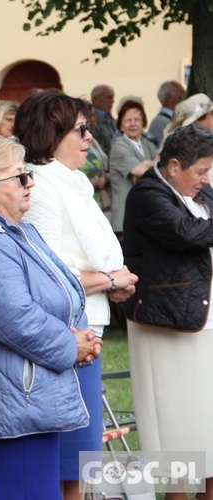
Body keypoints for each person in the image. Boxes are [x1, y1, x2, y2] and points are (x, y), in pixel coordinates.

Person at [0, 136, 101, 499]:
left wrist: (82, 334)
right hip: (9, 413)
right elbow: (18, 318)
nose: (30, 183)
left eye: (27, 174)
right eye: (19, 177)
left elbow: (62, 292)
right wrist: (70, 346)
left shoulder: (17, 231)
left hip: (21, 405)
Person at [14, 89, 137, 499]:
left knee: (81, 458)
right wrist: (110, 280)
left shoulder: (73, 181)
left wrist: (112, 283)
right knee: (71, 459)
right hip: (65, 331)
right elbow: (48, 271)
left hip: (88, 324)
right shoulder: (43, 186)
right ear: (52, 134)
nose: (89, 138)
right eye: (81, 129)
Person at [123, 124, 213, 499]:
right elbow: (187, 233)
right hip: (167, 322)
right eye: (201, 171)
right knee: (176, 426)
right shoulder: (148, 193)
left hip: (204, 320)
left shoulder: (199, 189)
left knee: (207, 423)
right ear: (174, 165)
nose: (206, 179)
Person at [109, 99, 158, 236]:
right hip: (125, 220)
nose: (133, 124)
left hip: (144, 217)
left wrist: (149, 165)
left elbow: (161, 166)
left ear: (143, 123)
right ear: (121, 125)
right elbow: (140, 171)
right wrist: (152, 164)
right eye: (128, 120)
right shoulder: (120, 145)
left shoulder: (148, 144)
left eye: (137, 119)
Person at [148, 80, 185, 147]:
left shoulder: (172, 119)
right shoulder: (160, 122)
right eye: (181, 97)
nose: (184, 100)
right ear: (169, 97)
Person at [90, 84, 118, 155]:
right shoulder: (91, 123)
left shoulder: (113, 121)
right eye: (109, 97)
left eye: (112, 97)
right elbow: (100, 150)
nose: (112, 101)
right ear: (95, 99)